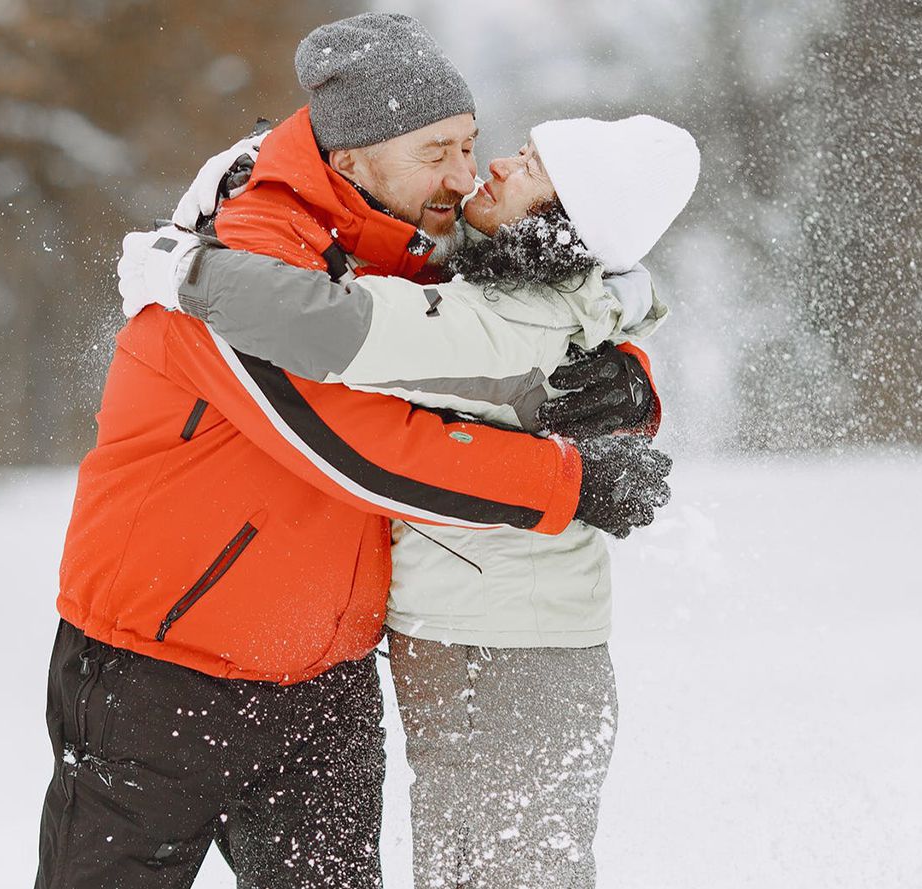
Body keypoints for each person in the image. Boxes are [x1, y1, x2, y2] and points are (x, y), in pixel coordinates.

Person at [38, 13, 673, 889]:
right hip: (160, 669)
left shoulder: (417, 231)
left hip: (327, 681)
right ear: (351, 159)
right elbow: (352, 445)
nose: (464, 172)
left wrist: (628, 380)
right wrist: (567, 478)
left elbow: (542, 304)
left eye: (469, 142)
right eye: (435, 151)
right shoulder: (243, 260)